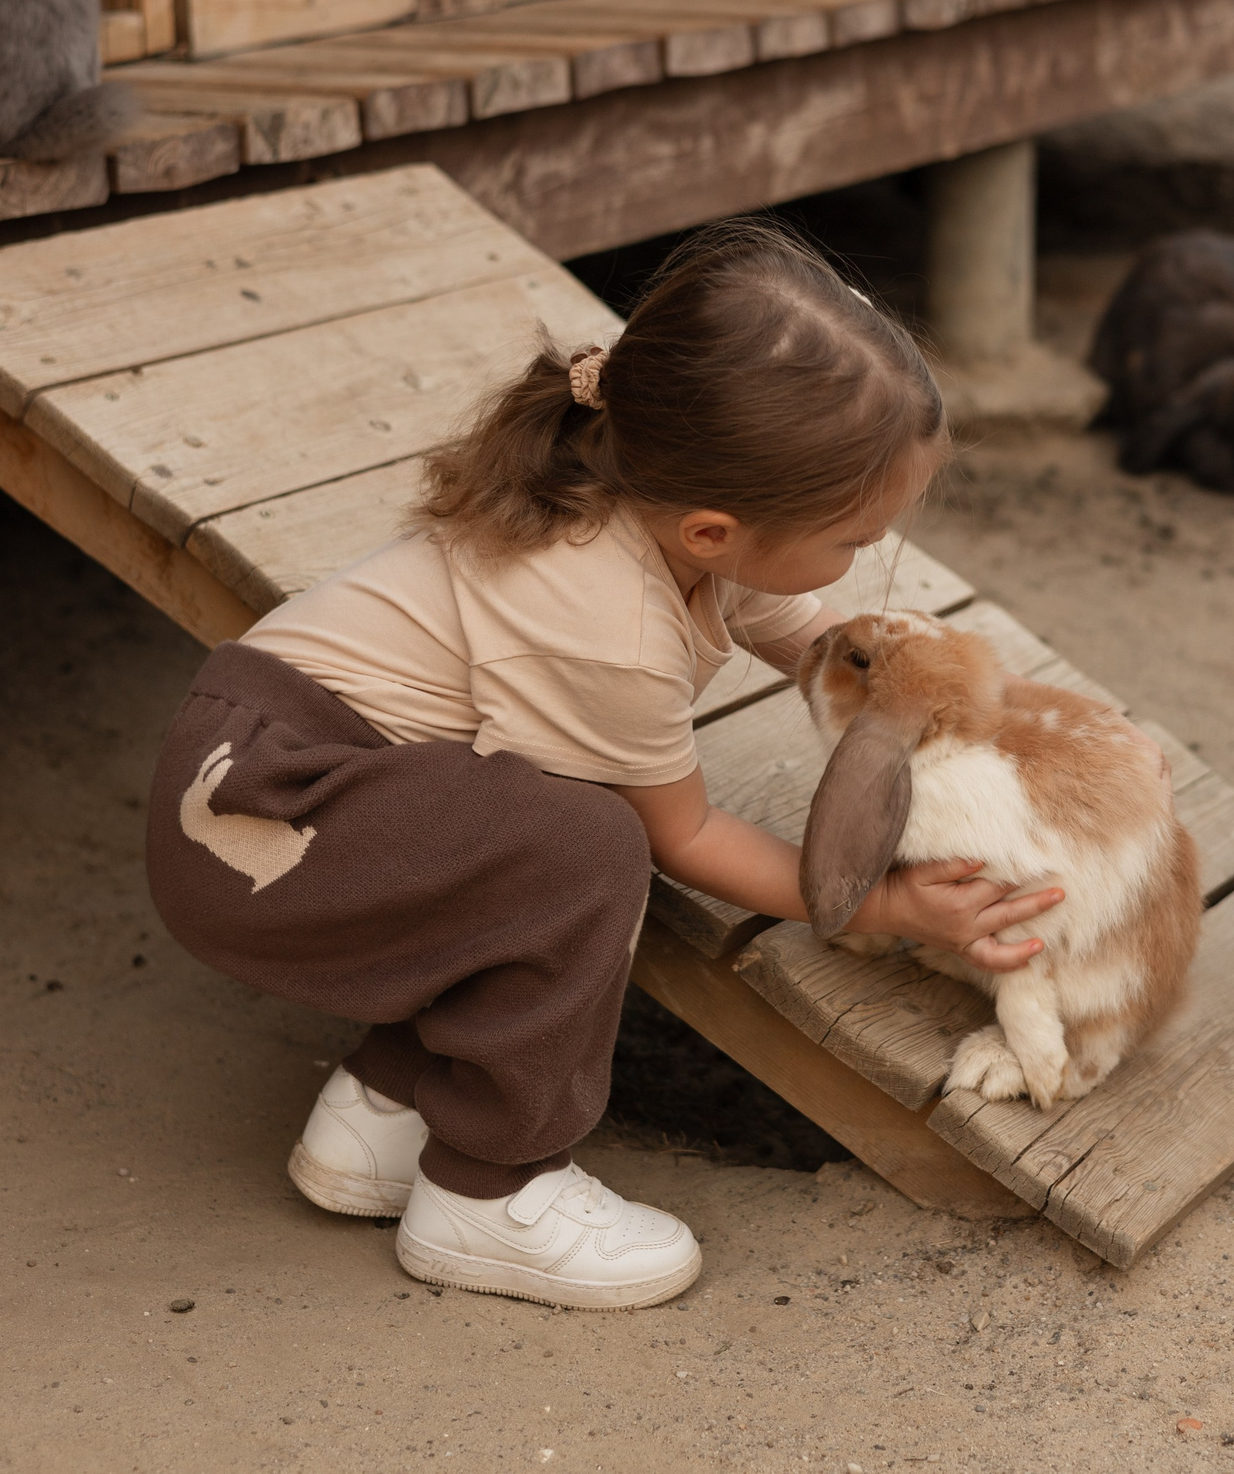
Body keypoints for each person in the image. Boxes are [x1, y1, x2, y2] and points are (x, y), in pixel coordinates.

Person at [141, 227, 1064, 1310]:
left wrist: (968, 723)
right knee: (585, 851)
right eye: (851, 536)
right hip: (258, 823)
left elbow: (823, 639)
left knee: (518, 842)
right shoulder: (605, 624)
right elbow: (688, 839)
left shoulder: (672, 499)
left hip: (287, 774)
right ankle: (490, 1193)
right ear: (718, 530)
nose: (861, 559)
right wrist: (888, 905)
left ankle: (381, 1116)